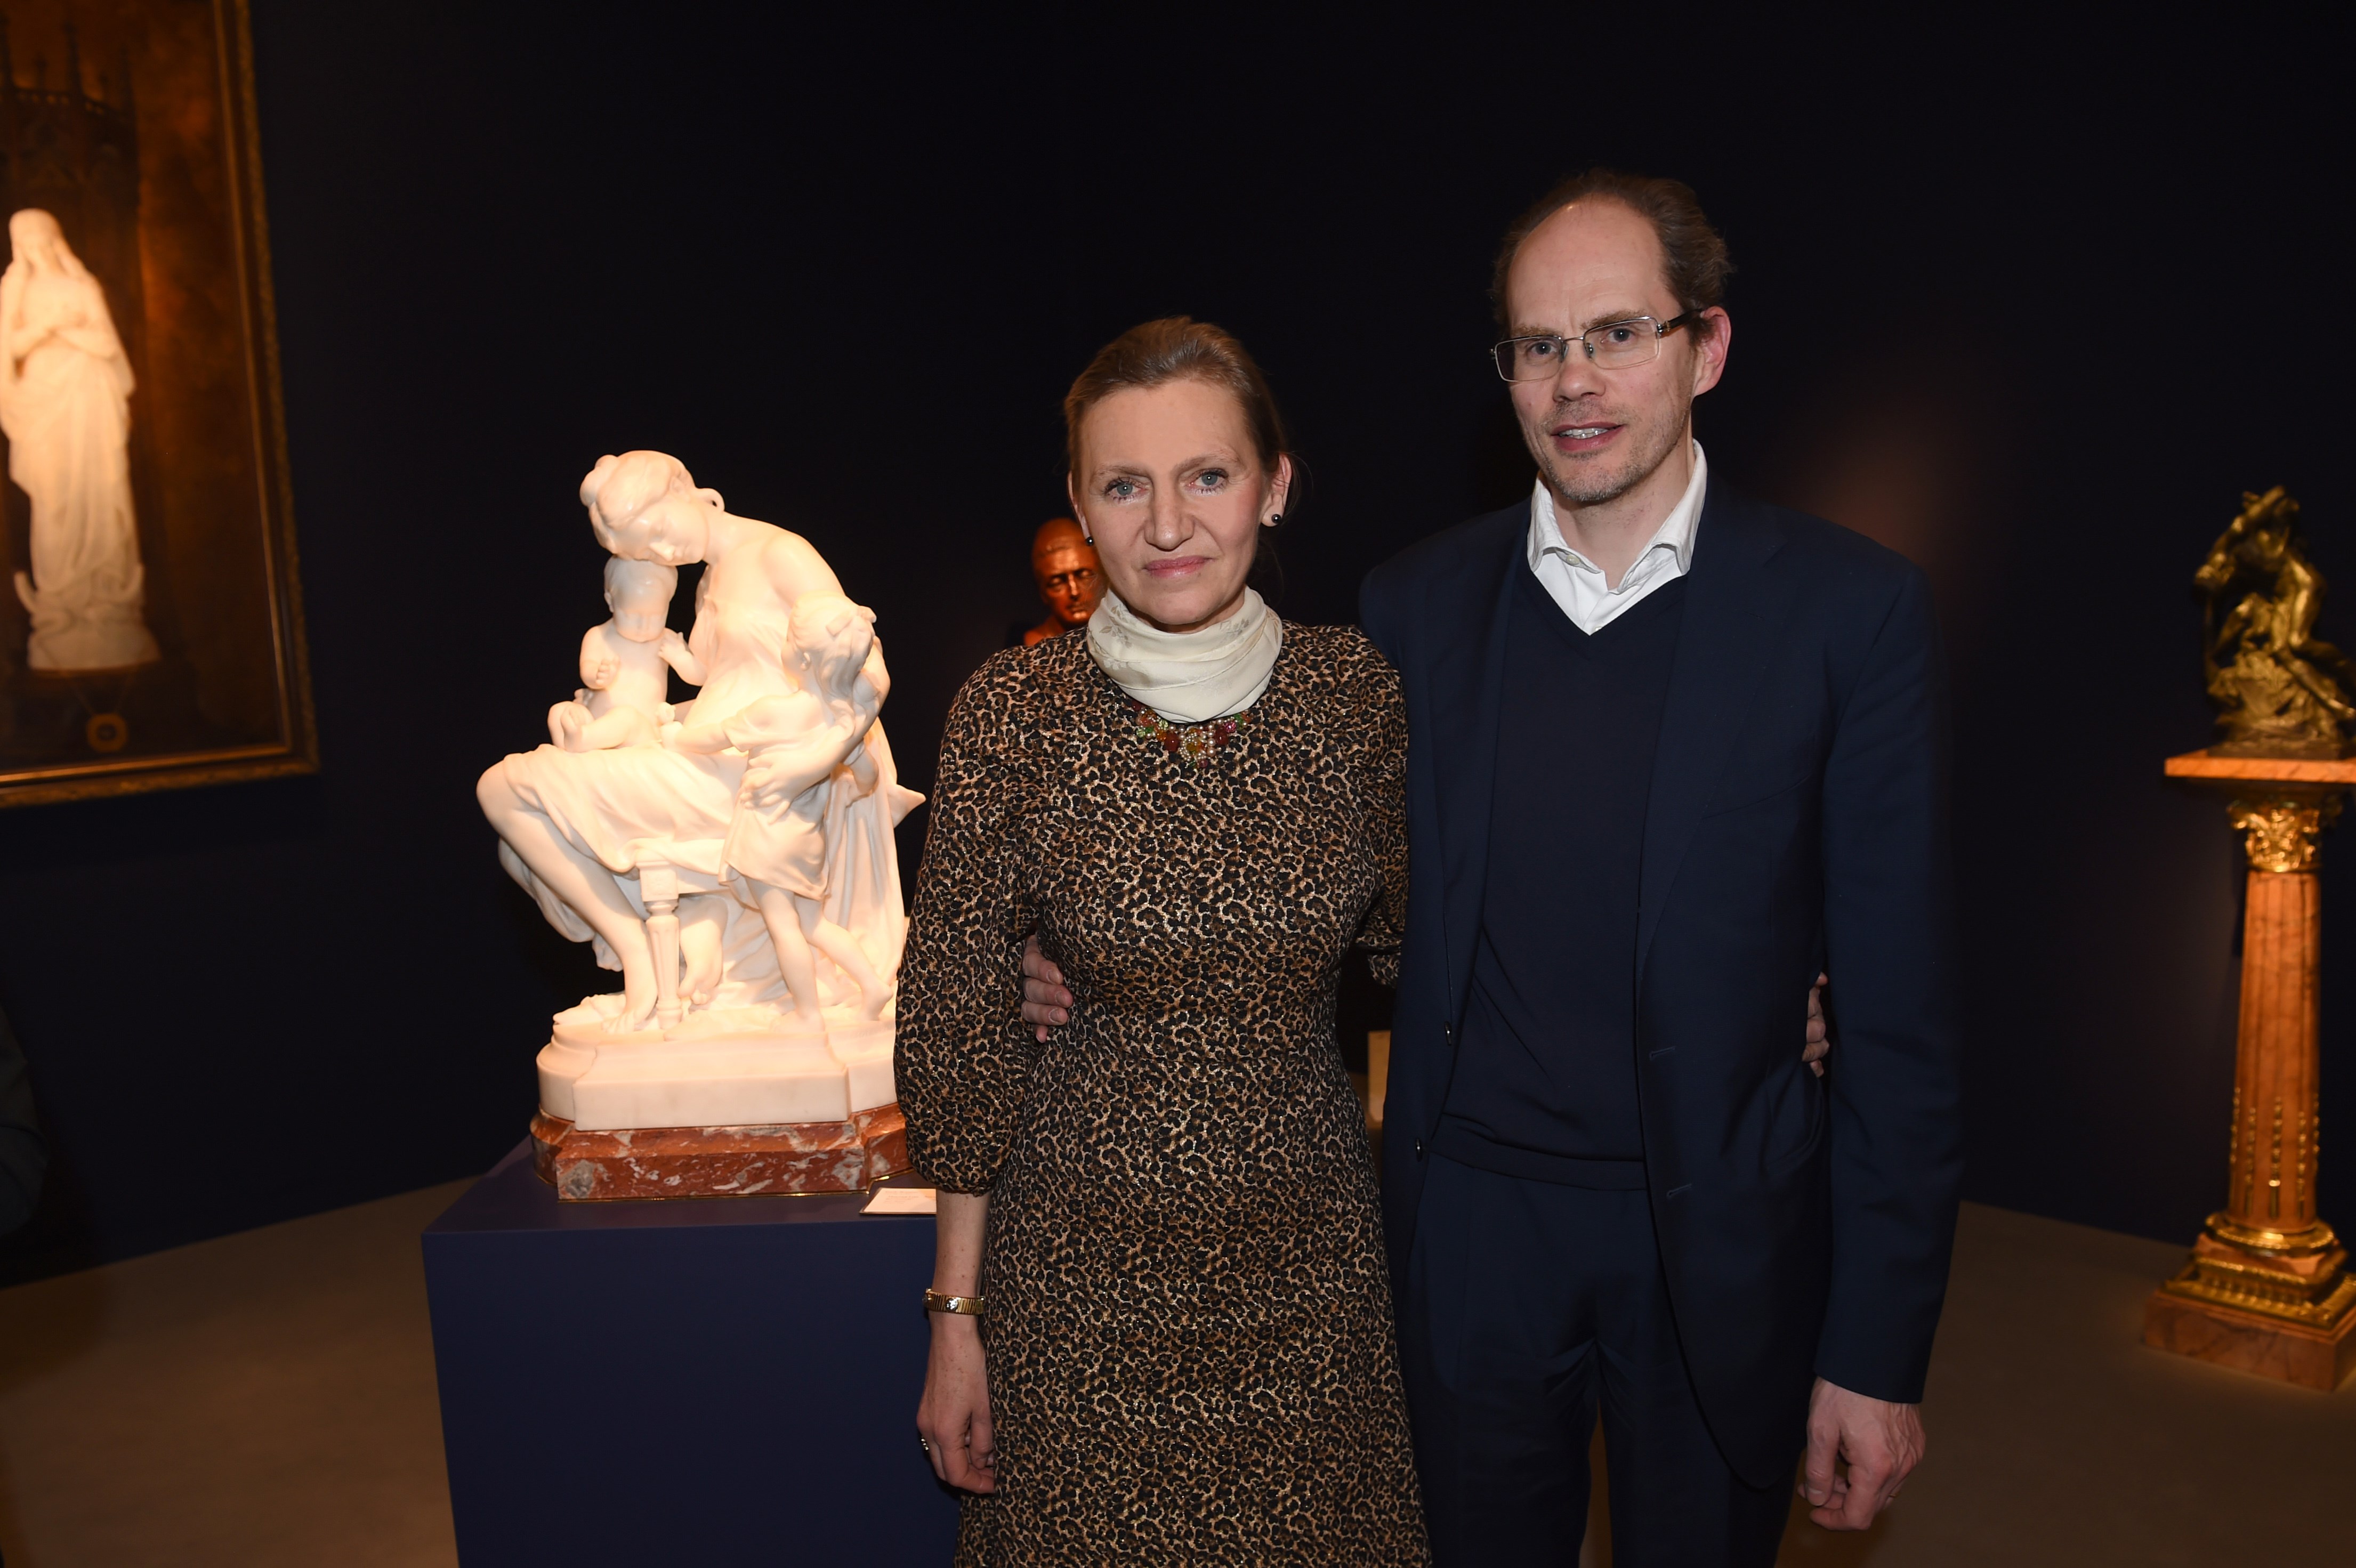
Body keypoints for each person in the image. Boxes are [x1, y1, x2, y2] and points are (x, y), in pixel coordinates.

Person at [1363, 171, 1959, 1562]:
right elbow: (1324, 886)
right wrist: (1085, 949)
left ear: (1707, 347)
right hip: (1472, 1237)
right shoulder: (1410, 608)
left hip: (1719, 1239)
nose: (1574, 379)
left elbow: (1899, 1020)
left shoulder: (1850, 612)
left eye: (1617, 333)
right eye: (1538, 344)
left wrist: (1875, 1351)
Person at [895, 318, 1429, 1564]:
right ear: (1079, 502)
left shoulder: (1355, 698)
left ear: (1274, 485)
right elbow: (956, 1034)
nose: (1169, 525)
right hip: (1074, 1288)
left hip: (1308, 1278)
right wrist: (955, 1317)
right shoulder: (1012, 712)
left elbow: (1444, 952)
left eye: (1208, 475)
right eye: (1125, 485)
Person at [669, 591, 893, 1025]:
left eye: (788, 639)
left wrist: (677, 738)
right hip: (806, 843)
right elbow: (868, 773)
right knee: (814, 924)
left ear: (804, 658)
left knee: (783, 926)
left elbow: (715, 737)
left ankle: (807, 1014)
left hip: (767, 836)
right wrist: (853, 789)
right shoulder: (843, 721)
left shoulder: (773, 712)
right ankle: (873, 985)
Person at [0, 208, 158, 673]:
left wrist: (67, 329)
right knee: (55, 500)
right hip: (43, 404)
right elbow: (9, 349)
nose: (36, 249)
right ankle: (61, 604)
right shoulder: (16, 289)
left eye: (43, 239)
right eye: (26, 242)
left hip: (89, 395)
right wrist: (49, 327)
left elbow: (108, 346)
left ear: (57, 240)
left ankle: (109, 600)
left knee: (102, 492)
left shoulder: (83, 287)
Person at [549, 556, 706, 752]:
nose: (643, 626)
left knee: (627, 717)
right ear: (611, 602)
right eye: (632, 616)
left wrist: (681, 659)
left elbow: (701, 677)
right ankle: (579, 740)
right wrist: (598, 677)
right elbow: (587, 669)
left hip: (640, 732)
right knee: (559, 711)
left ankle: (581, 741)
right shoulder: (598, 635)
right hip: (593, 718)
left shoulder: (667, 639)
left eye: (656, 616)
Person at [1010, 516, 1104, 647]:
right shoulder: (1030, 650)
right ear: (1042, 592)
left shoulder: (1123, 636)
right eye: (1057, 584)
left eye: (1084, 576)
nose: (1074, 592)